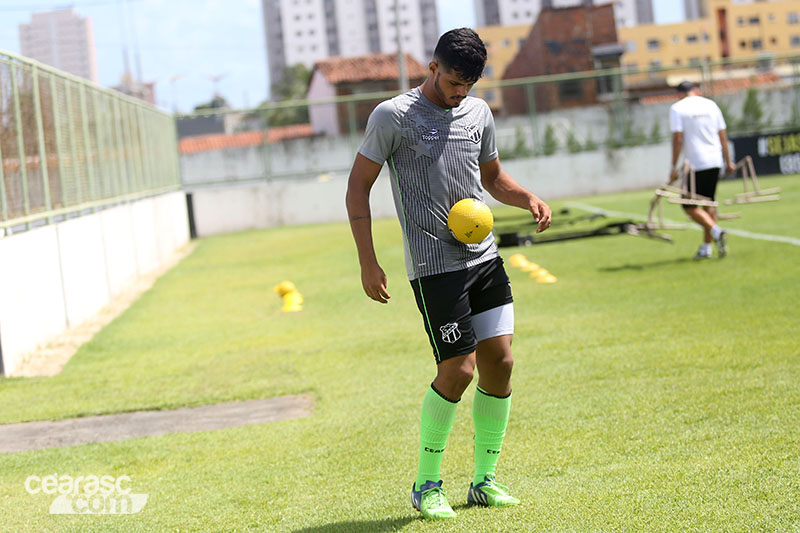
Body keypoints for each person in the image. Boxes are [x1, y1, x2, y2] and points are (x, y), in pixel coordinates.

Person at [345, 28, 551, 520]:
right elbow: (358, 188)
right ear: (432, 67)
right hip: (435, 269)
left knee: (500, 362)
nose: (461, 93)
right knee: (458, 369)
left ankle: (485, 480)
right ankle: (426, 483)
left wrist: (527, 198)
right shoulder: (392, 116)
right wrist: (367, 261)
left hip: (484, 258)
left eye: (469, 84)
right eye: (454, 81)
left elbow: (492, 177)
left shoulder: (478, 113)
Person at [669, 80, 736, 260]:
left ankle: (716, 231)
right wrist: (728, 161)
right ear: (695, 90)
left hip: (695, 163)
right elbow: (722, 136)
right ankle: (707, 248)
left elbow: (678, 140)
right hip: (714, 160)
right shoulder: (711, 105)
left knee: (689, 206)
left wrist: (673, 167)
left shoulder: (677, 108)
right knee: (709, 203)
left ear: (679, 93)